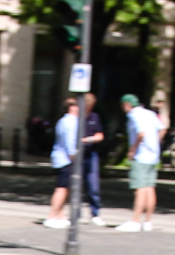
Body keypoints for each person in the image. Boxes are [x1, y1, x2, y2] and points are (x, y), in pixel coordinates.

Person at [44, 96, 105, 226]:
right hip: (66, 160)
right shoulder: (72, 122)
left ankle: (60, 216)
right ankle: (51, 217)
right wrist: (74, 158)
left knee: (65, 188)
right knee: (62, 188)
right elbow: (70, 143)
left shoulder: (64, 120)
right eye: (78, 106)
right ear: (72, 107)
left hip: (61, 158)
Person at [120, 94, 165, 231]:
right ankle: (148, 221)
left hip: (141, 155)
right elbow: (163, 129)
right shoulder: (150, 113)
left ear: (127, 104)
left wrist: (133, 149)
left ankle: (135, 221)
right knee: (149, 188)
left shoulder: (134, 115)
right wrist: (155, 143)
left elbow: (141, 133)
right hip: (153, 155)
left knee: (140, 188)